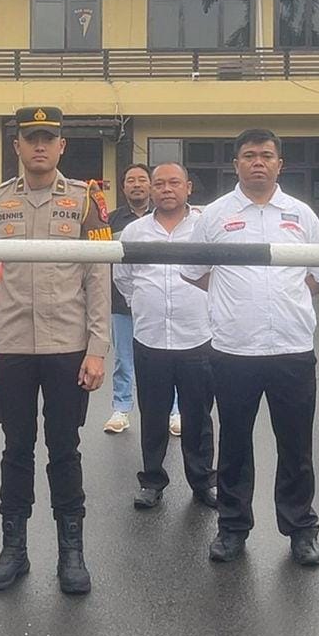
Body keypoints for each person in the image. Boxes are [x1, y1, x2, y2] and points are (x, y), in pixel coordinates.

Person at [0, 106, 111, 595]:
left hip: (67, 346)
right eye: (31, 138)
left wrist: (97, 348)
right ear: (17, 146)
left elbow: (98, 276)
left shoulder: (86, 201)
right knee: (15, 449)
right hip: (10, 348)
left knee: (65, 449)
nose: (40, 146)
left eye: (48, 138)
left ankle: (72, 552)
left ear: (61, 146)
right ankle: (14, 549)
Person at [182, 128, 319, 566]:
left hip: (292, 347)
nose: (258, 162)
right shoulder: (214, 216)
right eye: (249, 155)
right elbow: (194, 272)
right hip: (234, 350)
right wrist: (235, 298)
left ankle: (301, 529)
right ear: (236, 164)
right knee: (234, 444)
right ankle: (232, 527)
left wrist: (289, 296)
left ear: (279, 164)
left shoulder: (301, 215)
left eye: (266, 156)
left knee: (296, 445)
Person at [113, 163, 217, 511]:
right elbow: (123, 278)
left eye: (174, 183)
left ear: (188, 187)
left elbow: (219, 273)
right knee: (153, 415)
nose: (166, 189)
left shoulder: (205, 228)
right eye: (159, 184)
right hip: (150, 338)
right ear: (151, 190)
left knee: (198, 417)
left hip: (197, 337)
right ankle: (152, 481)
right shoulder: (134, 232)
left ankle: (203, 481)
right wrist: (145, 304)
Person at [104, 163, 151, 435]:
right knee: (124, 359)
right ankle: (121, 409)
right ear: (123, 187)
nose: (136, 185)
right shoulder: (111, 221)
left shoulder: (164, 217)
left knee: (168, 358)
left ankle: (174, 411)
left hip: (157, 304)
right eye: (131, 180)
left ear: (150, 185)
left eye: (142, 180)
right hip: (121, 303)